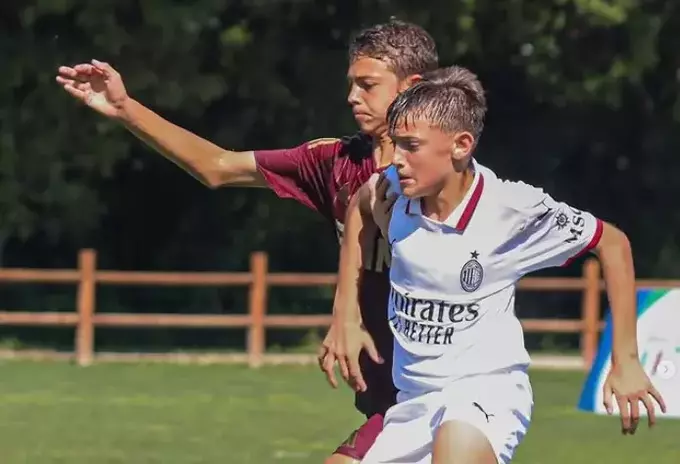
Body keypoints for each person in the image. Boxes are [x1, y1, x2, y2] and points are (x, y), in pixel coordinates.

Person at [55, 19, 438, 463]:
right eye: (351, 84)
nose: (353, 96)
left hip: (440, 392)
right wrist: (126, 109)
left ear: (411, 87)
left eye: (368, 85)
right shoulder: (333, 162)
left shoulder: (449, 178)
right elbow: (217, 166)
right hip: (388, 397)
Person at [333, 66, 667, 463]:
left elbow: (612, 243)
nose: (397, 159)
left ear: (461, 145)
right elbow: (360, 206)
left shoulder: (512, 209)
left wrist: (625, 359)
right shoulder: (392, 189)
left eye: (411, 146)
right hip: (413, 405)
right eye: (395, 144)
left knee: (455, 447)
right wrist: (346, 316)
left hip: (485, 394)